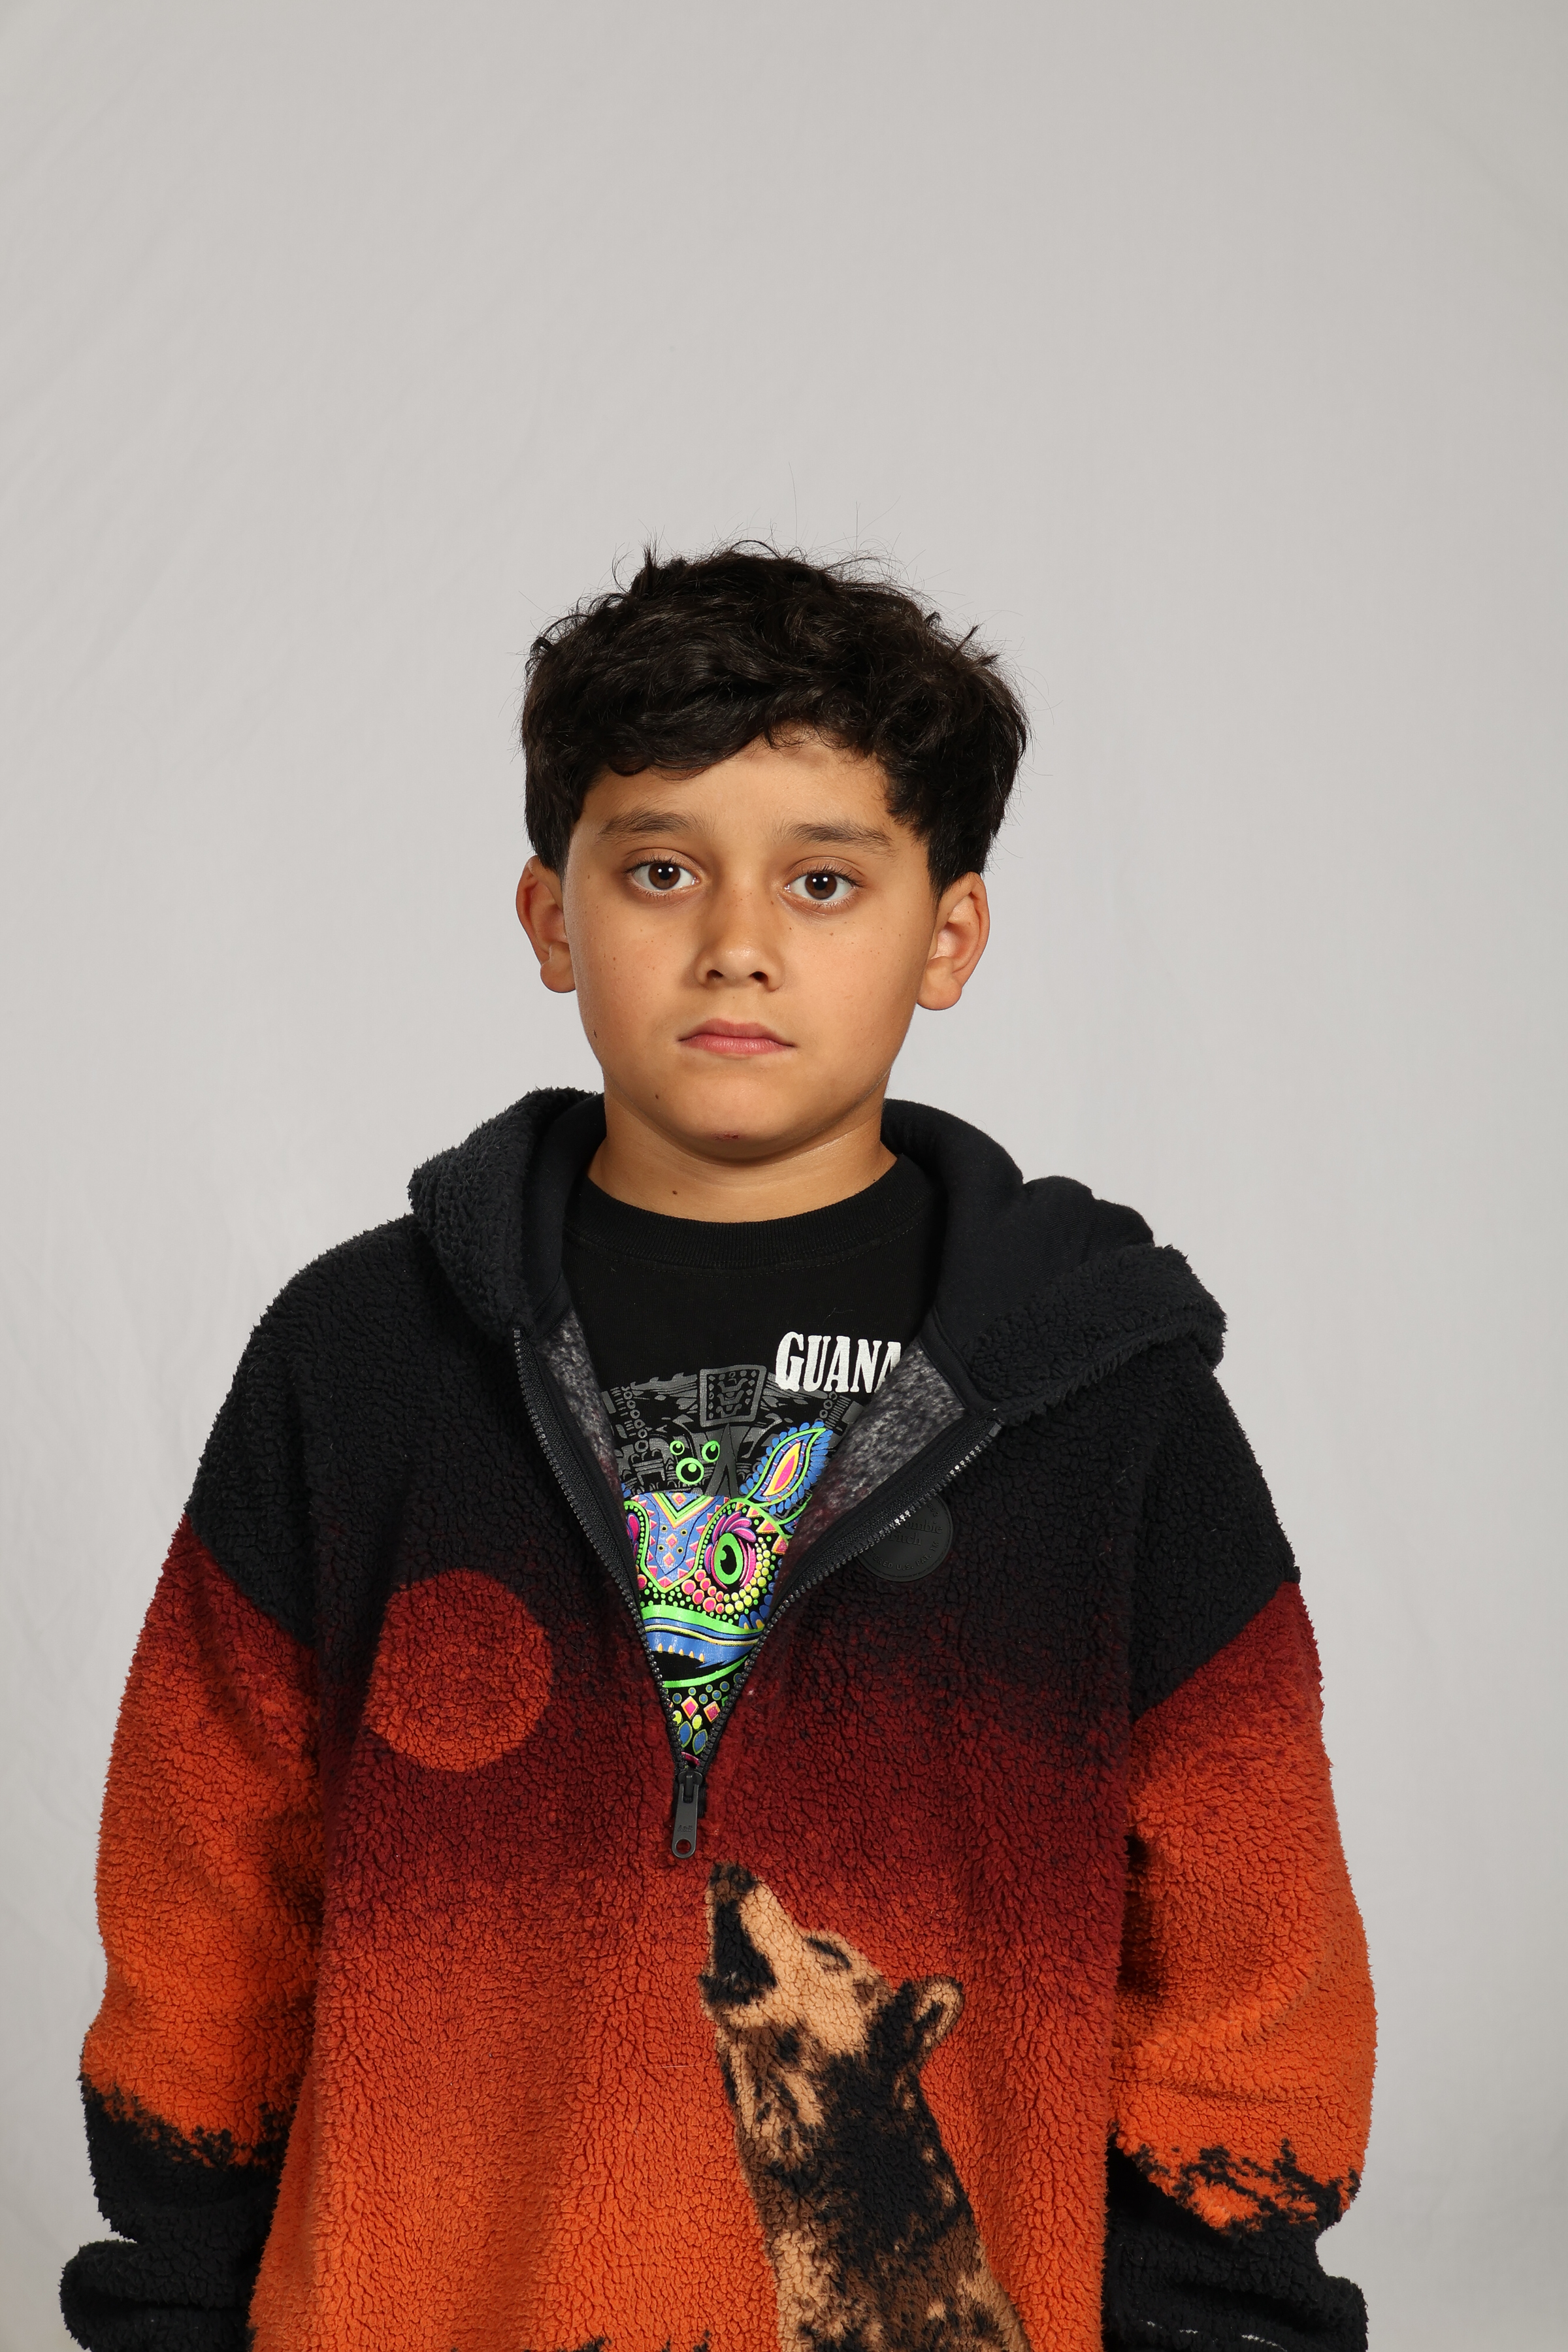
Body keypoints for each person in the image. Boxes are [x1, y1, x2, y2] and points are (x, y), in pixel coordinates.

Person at [62, 547, 1375, 2352]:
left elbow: (1252, 1951)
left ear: (949, 936)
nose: (736, 941)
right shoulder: (360, 1358)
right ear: (551, 917)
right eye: (662, 870)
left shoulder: (1105, 1401)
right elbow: (206, 1885)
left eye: (824, 881)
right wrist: (173, 2286)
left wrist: (1222, 2313)